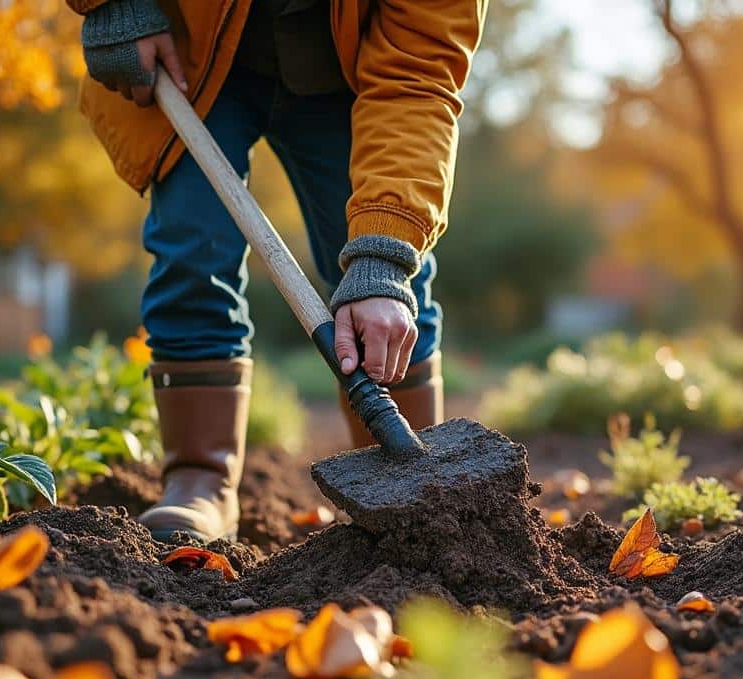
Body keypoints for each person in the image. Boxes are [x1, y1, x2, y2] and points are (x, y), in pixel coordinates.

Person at [68, 0, 486, 542]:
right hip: (190, 52)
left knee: (389, 284)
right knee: (192, 250)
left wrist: (383, 258)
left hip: (350, 71)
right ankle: (200, 478)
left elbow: (418, 75)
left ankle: (408, 497)